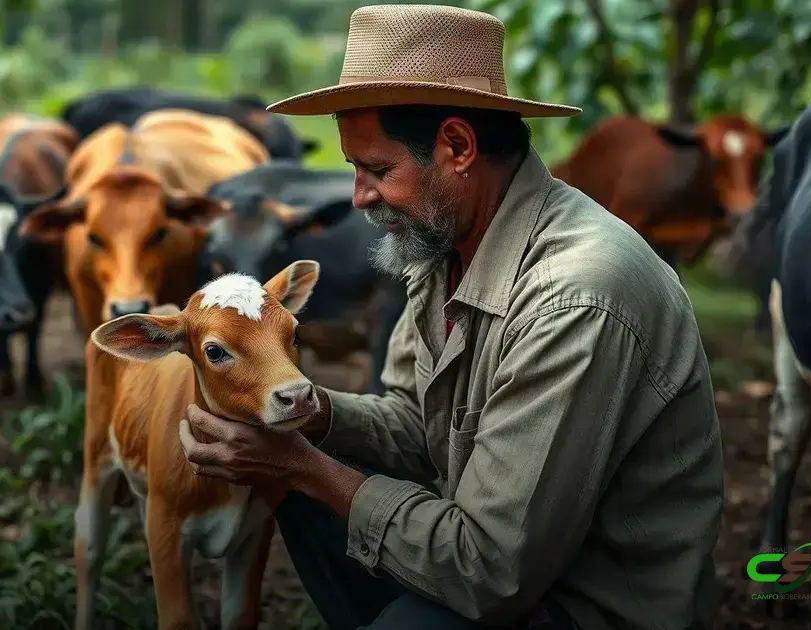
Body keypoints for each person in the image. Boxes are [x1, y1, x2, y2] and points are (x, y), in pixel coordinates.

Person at [177, 5, 725, 629]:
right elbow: (418, 424)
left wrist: (307, 468)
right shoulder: (444, 249)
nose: (358, 197)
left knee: (306, 480)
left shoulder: (575, 299)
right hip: (498, 565)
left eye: (378, 170)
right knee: (299, 483)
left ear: (458, 147)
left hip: (580, 605)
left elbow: (493, 571)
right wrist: (314, 416)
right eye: (355, 169)